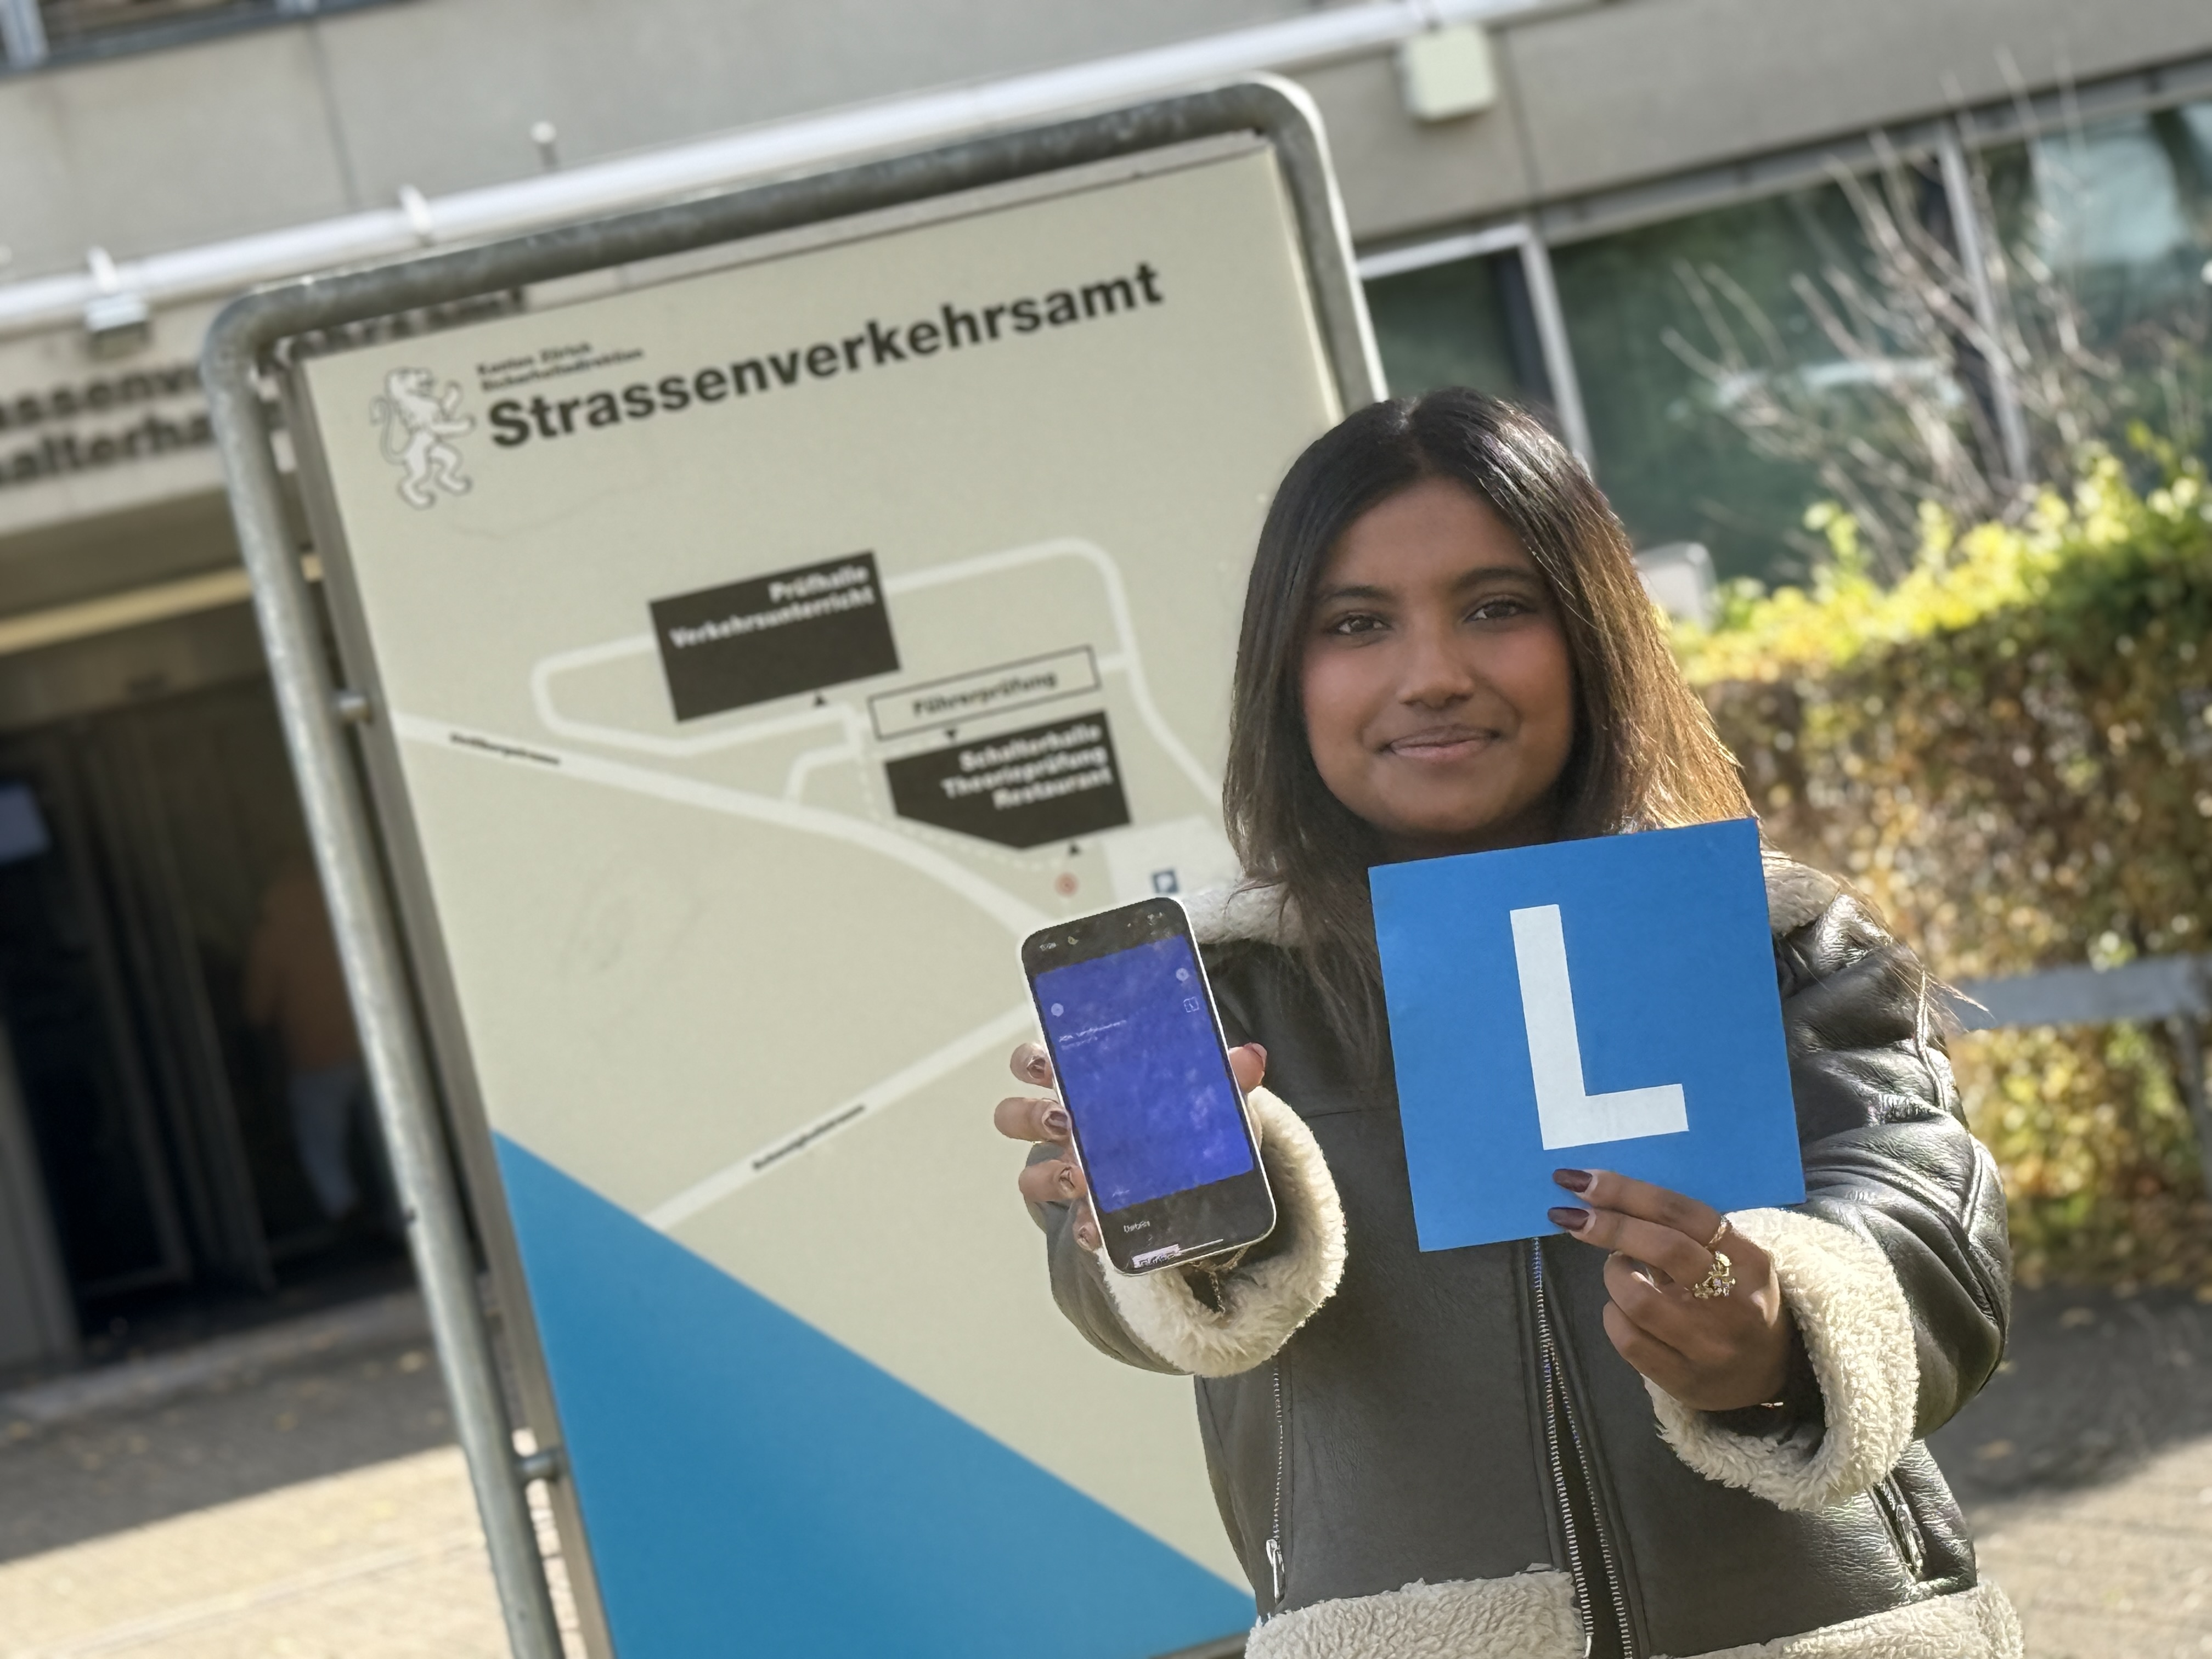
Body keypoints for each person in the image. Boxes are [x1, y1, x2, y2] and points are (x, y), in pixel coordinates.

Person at [994, 391, 2015, 1658]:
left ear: (1590, 632)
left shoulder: (1780, 936)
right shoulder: (1204, 992)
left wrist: (1772, 1330)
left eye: (1497, 607)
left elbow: (1931, 1222)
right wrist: (1143, 1223)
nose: (1434, 674)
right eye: (1356, 624)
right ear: (1285, 674)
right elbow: (1122, 1302)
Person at [243, 857, 381, 1228]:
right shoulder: (343, 909)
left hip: (316, 1056)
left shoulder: (273, 935)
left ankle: (346, 1213)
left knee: (320, 1142)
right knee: (391, 1137)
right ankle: (408, 1216)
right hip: (371, 1045)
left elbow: (257, 1010)